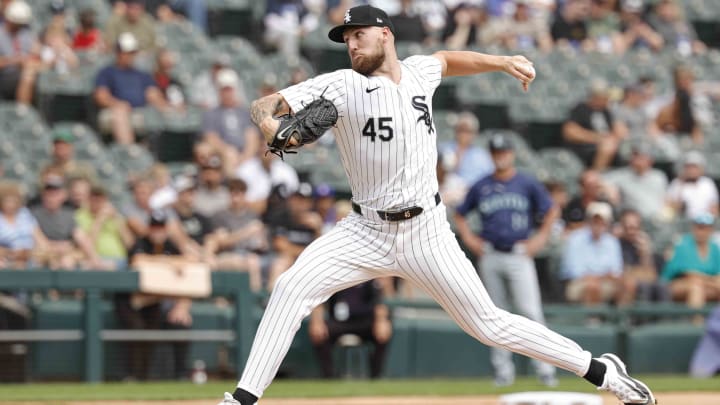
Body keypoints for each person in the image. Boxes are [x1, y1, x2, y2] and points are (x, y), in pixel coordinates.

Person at [217, 5, 656, 405]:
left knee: (489, 325)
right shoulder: (343, 83)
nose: (351, 42)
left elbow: (446, 59)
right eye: (345, 37)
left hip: (425, 231)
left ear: (385, 34)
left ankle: (603, 372)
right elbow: (263, 105)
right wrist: (274, 126)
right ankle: (240, 400)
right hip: (364, 230)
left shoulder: (419, 72)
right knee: (291, 289)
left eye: (358, 34)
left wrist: (501, 61)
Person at [454, 133, 559, 387]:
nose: (501, 157)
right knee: (494, 315)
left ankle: (545, 369)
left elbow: (551, 209)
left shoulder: (526, 183)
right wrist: (470, 239)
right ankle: (503, 372)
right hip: (490, 253)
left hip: (519, 254)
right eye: (496, 153)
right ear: (491, 156)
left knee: (531, 312)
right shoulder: (481, 185)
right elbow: (459, 214)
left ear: (512, 154)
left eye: (504, 152)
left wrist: (540, 239)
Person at [93, 32, 169, 144]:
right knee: (120, 112)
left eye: (132, 52)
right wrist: (117, 104)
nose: (130, 56)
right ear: (118, 52)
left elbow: (152, 95)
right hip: (116, 111)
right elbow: (101, 96)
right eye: (126, 52)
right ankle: (128, 151)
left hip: (141, 110)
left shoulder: (142, 75)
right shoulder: (107, 72)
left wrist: (167, 107)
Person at [308, 280, 392, 379]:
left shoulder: (369, 278)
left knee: (383, 332)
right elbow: (320, 302)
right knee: (319, 333)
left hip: (364, 322)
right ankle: (329, 377)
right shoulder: (335, 278)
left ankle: (375, 377)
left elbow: (379, 303)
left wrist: (381, 321)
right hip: (340, 323)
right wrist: (317, 322)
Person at [560, 202, 627, 306]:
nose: (598, 225)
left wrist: (603, 277)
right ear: (589, 221)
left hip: (605, 282)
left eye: (602, 222)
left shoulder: (612, 242)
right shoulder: (575, 239)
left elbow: (616, 271)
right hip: (578, 283)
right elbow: (575, 271)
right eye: (595, 221)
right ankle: (593, 320)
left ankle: (624, 320)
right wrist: (598, 277)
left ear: (607, 223)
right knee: (592, 286)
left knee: (627, 285)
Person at [562, 80, 628, 170]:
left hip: (608, 144)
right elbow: (570, 132)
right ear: (596, 96)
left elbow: (617, 130)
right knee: (608, 146)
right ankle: (596, 176)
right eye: (605, 96)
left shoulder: (606, 111)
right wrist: (597, 138)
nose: (608, 99)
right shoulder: (581, 109)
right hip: (586, 147)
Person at [662, 212, 720, 311]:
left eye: (705, 227)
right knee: (696, 287)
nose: (702, 231)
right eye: (699, 227)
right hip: (676, 285)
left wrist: (713, 282)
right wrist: (712, 281)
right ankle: (696, 324)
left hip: (707, 285)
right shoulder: (683, 244)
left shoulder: (714, 248)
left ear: (710, 230)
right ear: (694, 228)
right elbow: (689, 275)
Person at [603, 143, 668, 220]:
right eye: (635, 156)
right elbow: (597, 179)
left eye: (642, 157)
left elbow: (666, 200)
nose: (638, 160)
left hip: (658, 220)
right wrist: (609, 189)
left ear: (650, 160)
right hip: (634, 222)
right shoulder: (622, 175)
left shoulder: (659, 176)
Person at [0, 0, 41, 104]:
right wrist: (15, 61)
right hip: (5, 76)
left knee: (30, 73)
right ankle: (22, 113)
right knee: (28, 75)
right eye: (16, 23)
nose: (18, 26)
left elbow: (35, 55)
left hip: (25, 73)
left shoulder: (25, 34)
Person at [666, 151, 719, 219]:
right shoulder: (676, 183)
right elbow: (669, 206)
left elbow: (714, 207)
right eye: (688, 167)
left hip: (703, 222)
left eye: (694, 167)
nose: (691, 170)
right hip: (682, 222)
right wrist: (681, 186)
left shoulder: (707, 183)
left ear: (701, 169)